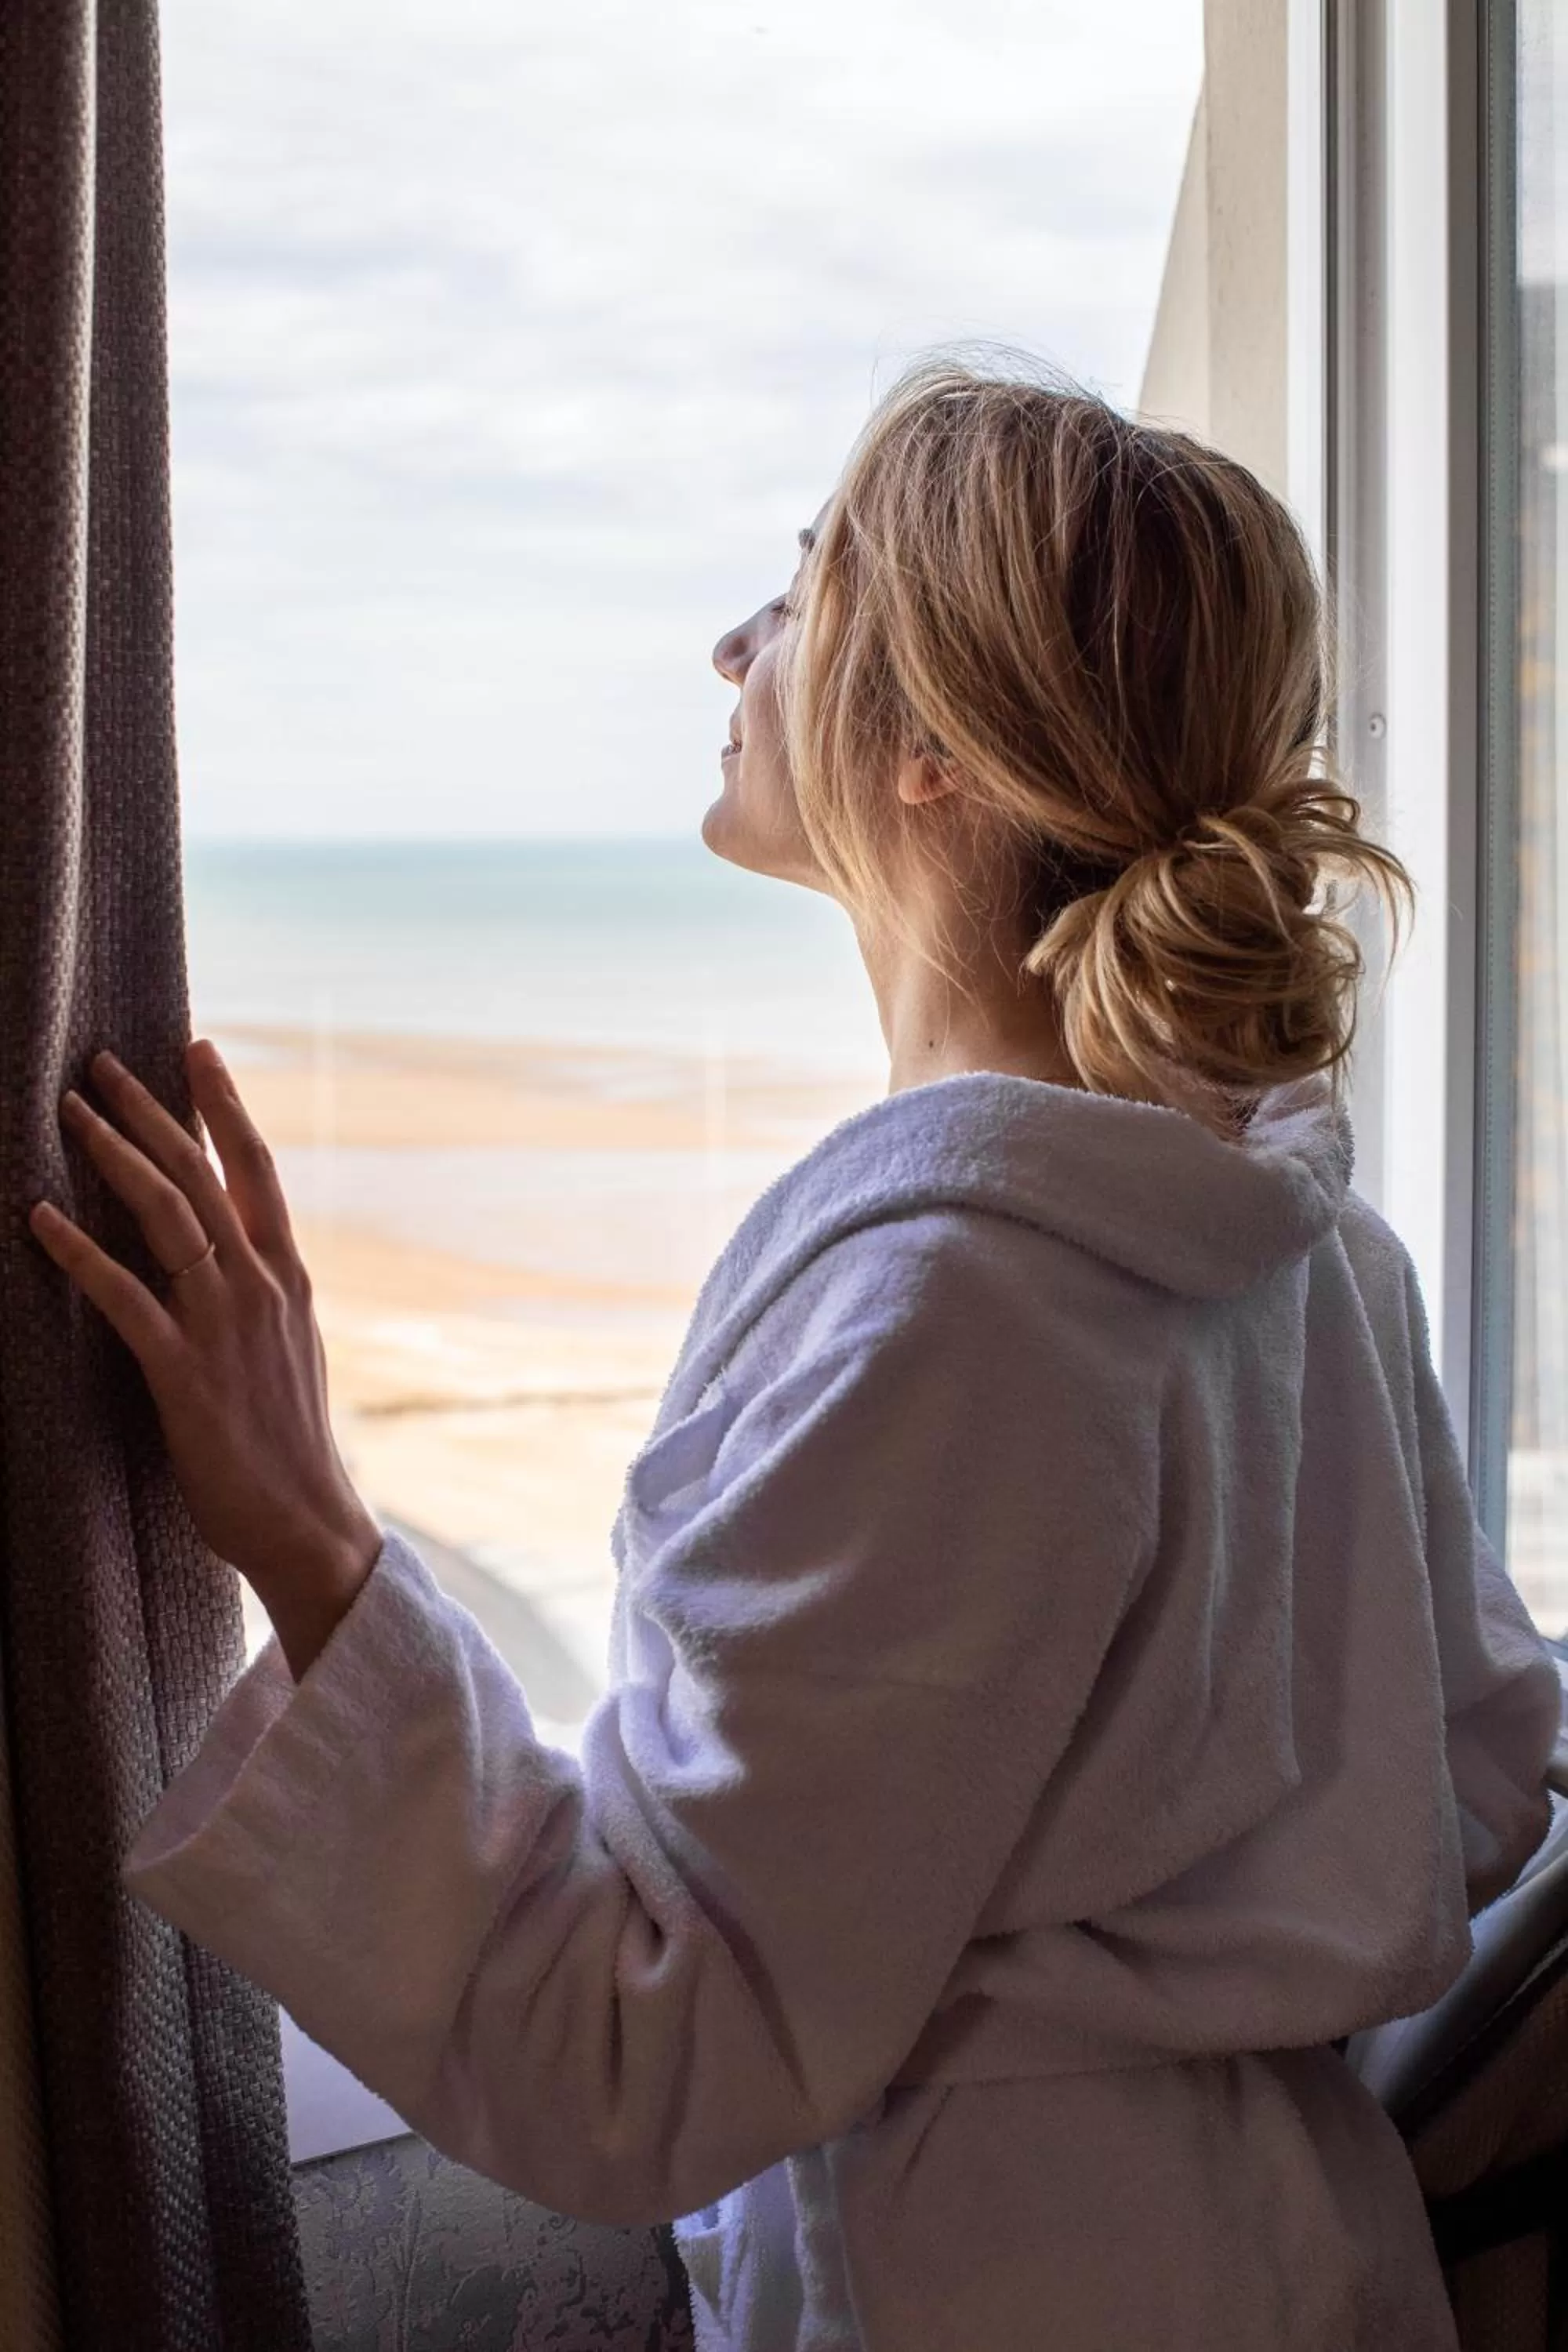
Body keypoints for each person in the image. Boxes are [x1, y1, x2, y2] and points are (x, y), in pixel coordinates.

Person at [30, 358, 1561, 2350]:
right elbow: (1479, 1763)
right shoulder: (1302, 1244)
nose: (735, 642)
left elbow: (648, 2056)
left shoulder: (957, 1312)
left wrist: (312, 1540)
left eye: (805, 581)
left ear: (929, 742)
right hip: (1293, 2256)